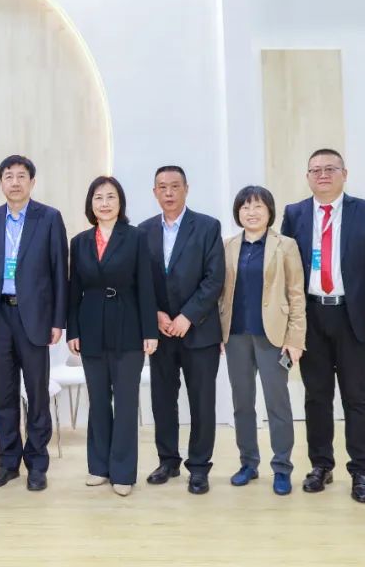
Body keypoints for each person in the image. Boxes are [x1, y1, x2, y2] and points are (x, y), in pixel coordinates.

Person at [280, 148, 365, 503]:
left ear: (345, 173)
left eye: (330, 169)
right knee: (316, 396)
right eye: (316, 170)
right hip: (311, 316)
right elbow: (285, 270)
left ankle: (361, 471)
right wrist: (288, 323)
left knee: (356, 397)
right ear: (307, 176)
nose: (323, 175)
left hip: (353, 315)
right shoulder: (294, 213)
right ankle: (321, 465)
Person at [0, 155, 68, 492]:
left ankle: (37, 464)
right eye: (8, 176)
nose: (14, 182)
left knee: (37, 393)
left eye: (21, 176)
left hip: (36, 318)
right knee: (2, 394)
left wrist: (58, 319)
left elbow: (60, 271)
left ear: (32, 182)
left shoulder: (49, 218)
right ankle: (7, 461)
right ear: (0, 182)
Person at [67, 176, 157, 496]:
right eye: (98, 198)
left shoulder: (136, 237)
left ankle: (123, 472)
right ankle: (99, 467)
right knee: (98, 400)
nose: (104, 203)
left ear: (120, 202)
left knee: (127, 401)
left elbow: (146, 286)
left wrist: (150, 331)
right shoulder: (79, 242)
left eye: (110, 197)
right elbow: (74, 290)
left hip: (128, 326)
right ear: (90, 204)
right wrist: (73, 330)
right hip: (91, 326)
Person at [138, 165, 224, 494]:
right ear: (154, 192)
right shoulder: (143, 231)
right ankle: (168, 461)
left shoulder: (207, 227)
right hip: (160, 332)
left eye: (175, 186)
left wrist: (188, 316)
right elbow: (140, 280)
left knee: (202, 401)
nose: (169, 192)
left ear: (186, 188)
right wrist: (156, 314)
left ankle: (199, 467)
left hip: (199, 331)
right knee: (162, 400)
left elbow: (214, 278)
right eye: (162, 187)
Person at [219, 186, 306, 497]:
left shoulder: (286, 245)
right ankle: (248, 463)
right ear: (237, 213)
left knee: (277, 403)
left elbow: (296, 294)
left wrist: (295, 338)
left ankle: (282, 467)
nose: (251, 212)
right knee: (242, 403)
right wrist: (219, 333)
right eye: (245, 207)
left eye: (257, 206)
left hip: (274, 337)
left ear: (269, 211)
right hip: (236, 336)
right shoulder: (228, 246)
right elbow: (220, 293)